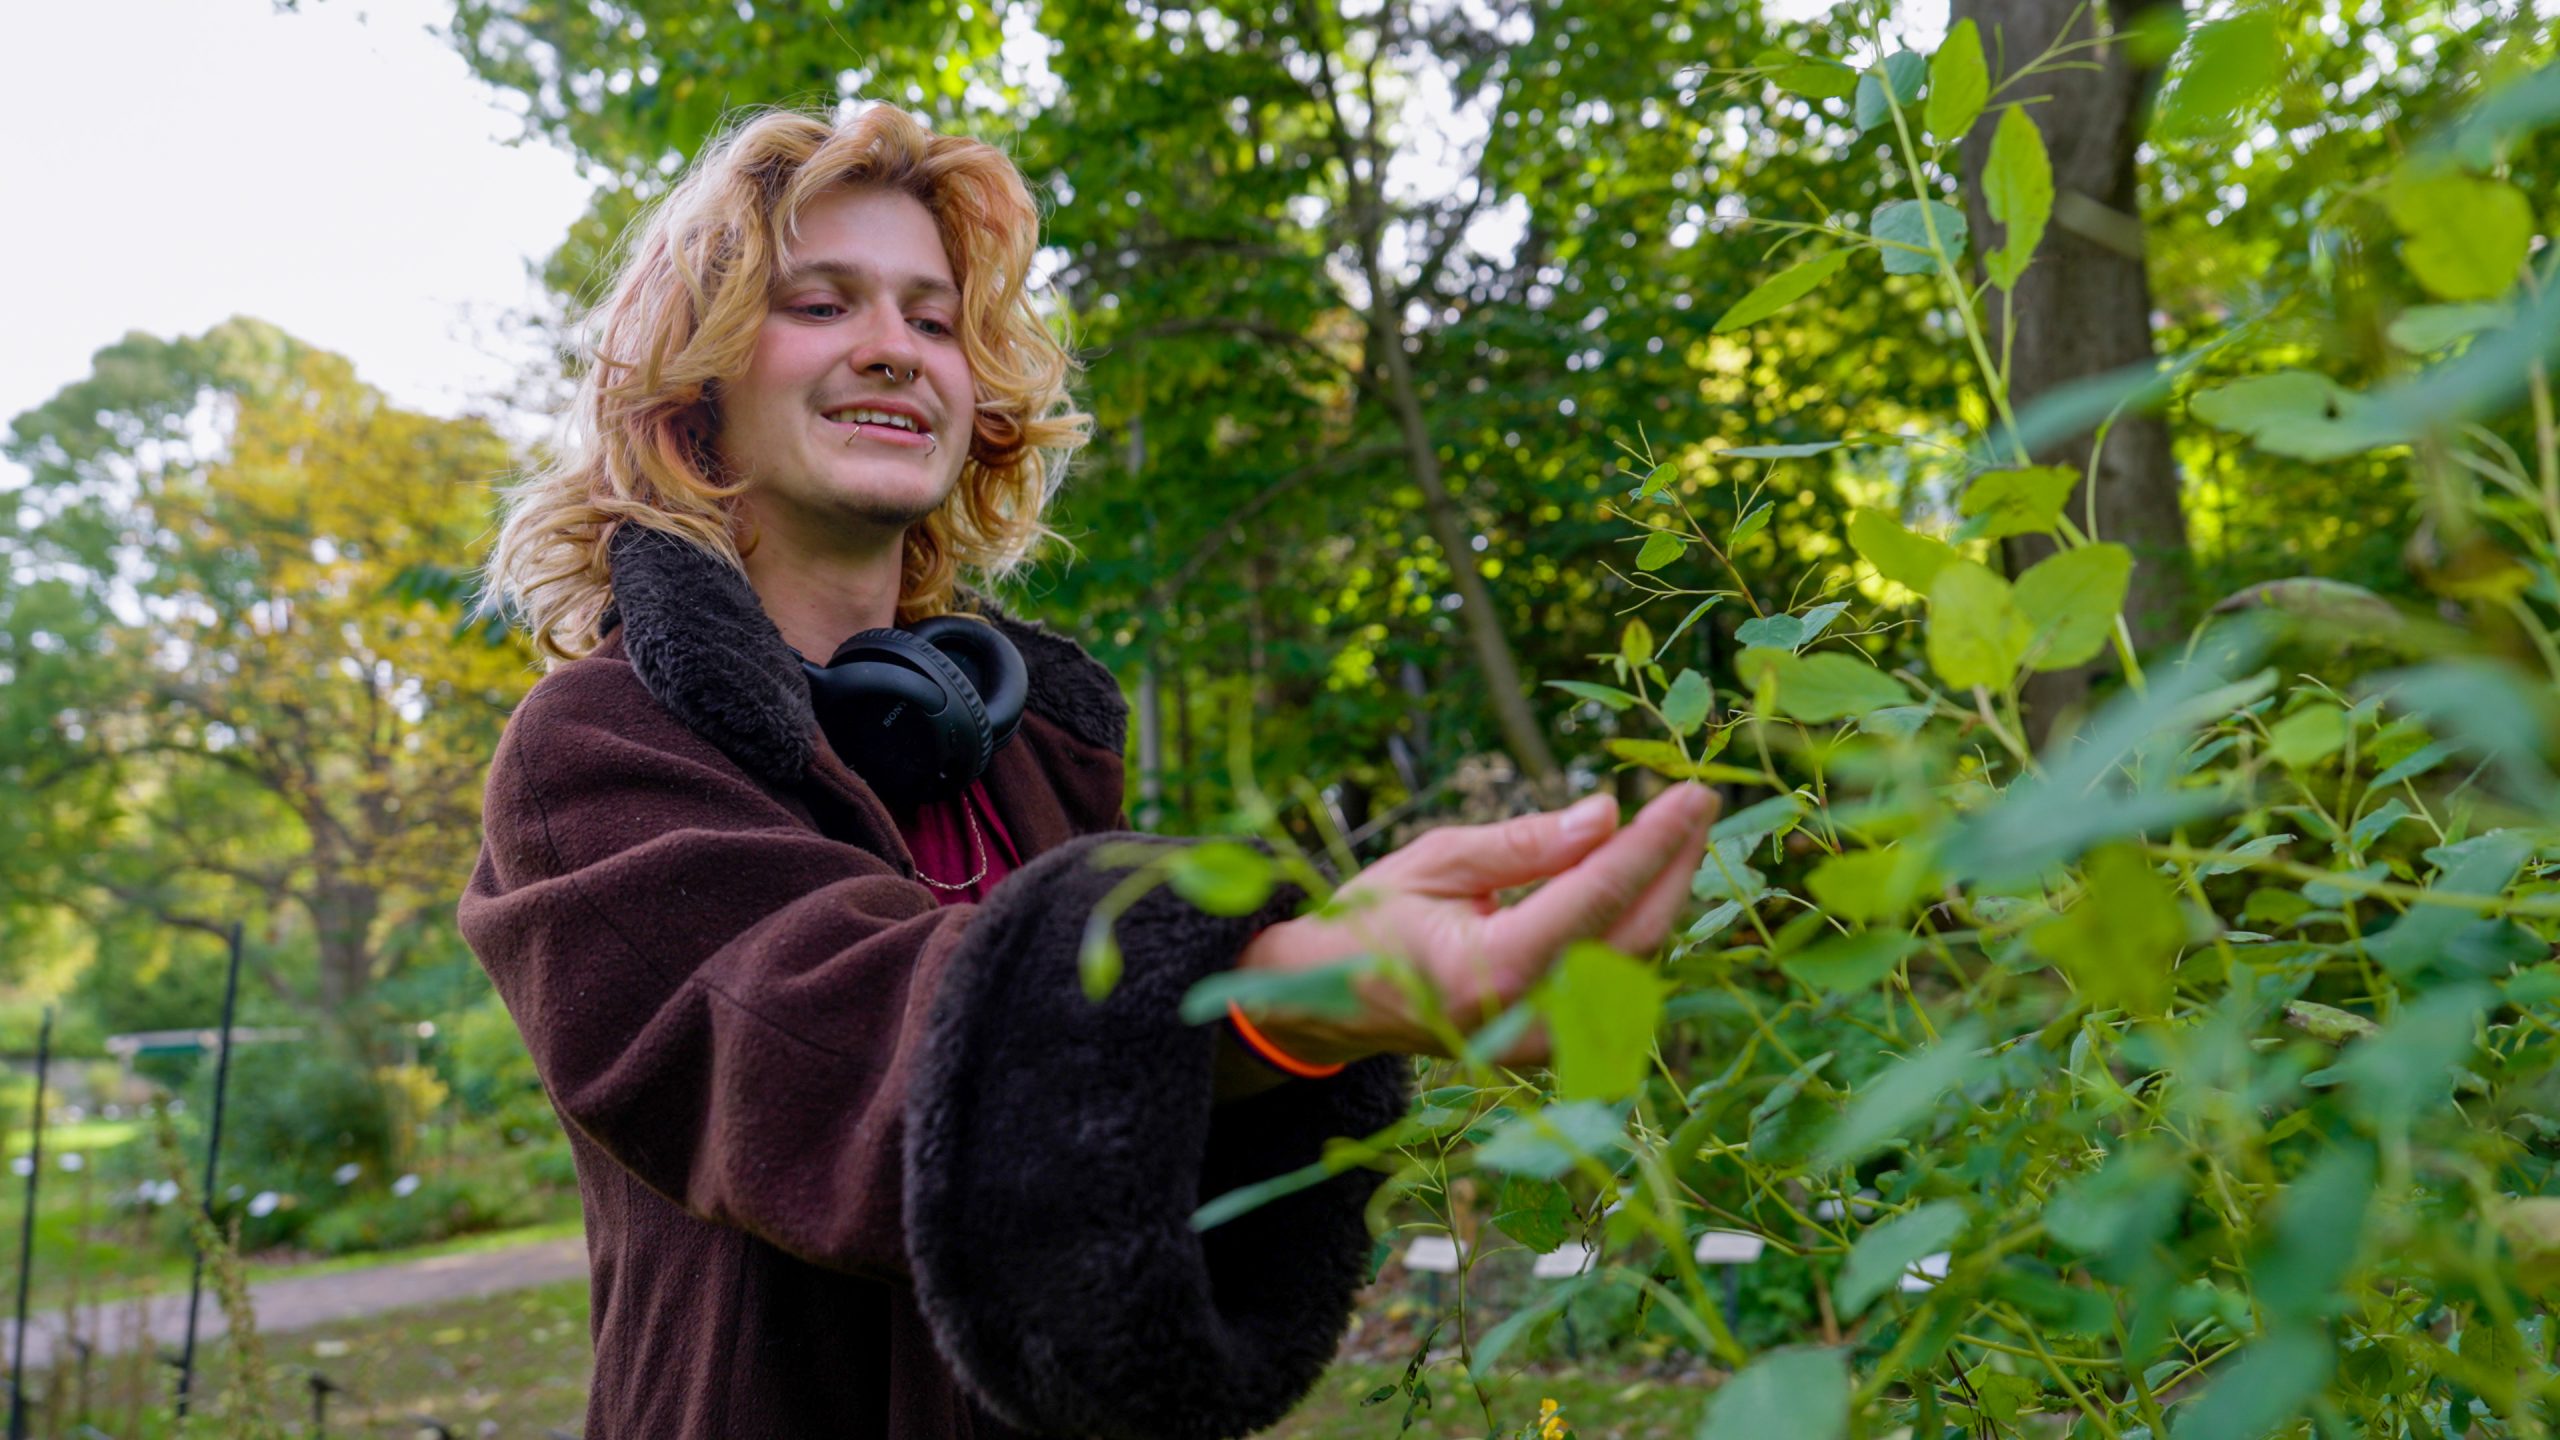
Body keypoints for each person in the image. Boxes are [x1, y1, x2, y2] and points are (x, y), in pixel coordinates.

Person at [460, 103, 1716, 1439]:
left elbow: (1120, 1169)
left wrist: (1291, 1018)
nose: (892, 347)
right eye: (821, 306)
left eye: (933, 321)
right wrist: (1287, 979)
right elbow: (824, 1044)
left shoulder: (1029, 751)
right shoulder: (595, 752)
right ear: (694, 397)